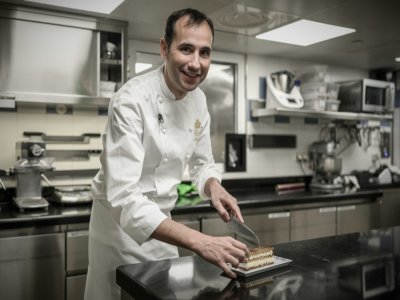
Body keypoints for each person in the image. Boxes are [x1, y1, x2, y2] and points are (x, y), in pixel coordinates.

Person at [84, 8, 249, 300]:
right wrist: (201, 241)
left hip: (163, 221)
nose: (196, 63)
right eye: (186, 49)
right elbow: (124, 196)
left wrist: (214, 186)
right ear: (164, 48)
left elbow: (201, 163)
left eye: (205, 52)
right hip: (117, 227)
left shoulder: (198, 100)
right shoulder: (130, 101)